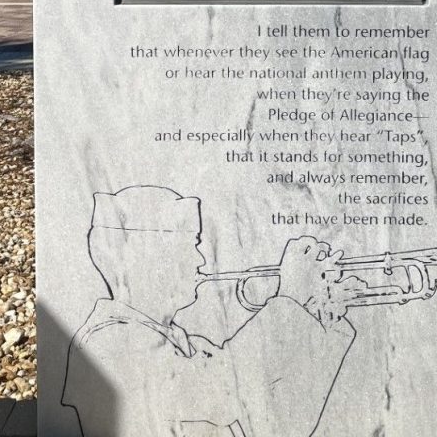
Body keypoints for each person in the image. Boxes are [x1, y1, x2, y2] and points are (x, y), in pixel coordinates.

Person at [62, 185, 363, 437]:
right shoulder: (107, 342)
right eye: (190, 245)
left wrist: (323, 321)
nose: (200, 261)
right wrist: (288, 299)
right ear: (146, 256)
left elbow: (281, 424)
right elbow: (224, 392)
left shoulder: (193, 347)